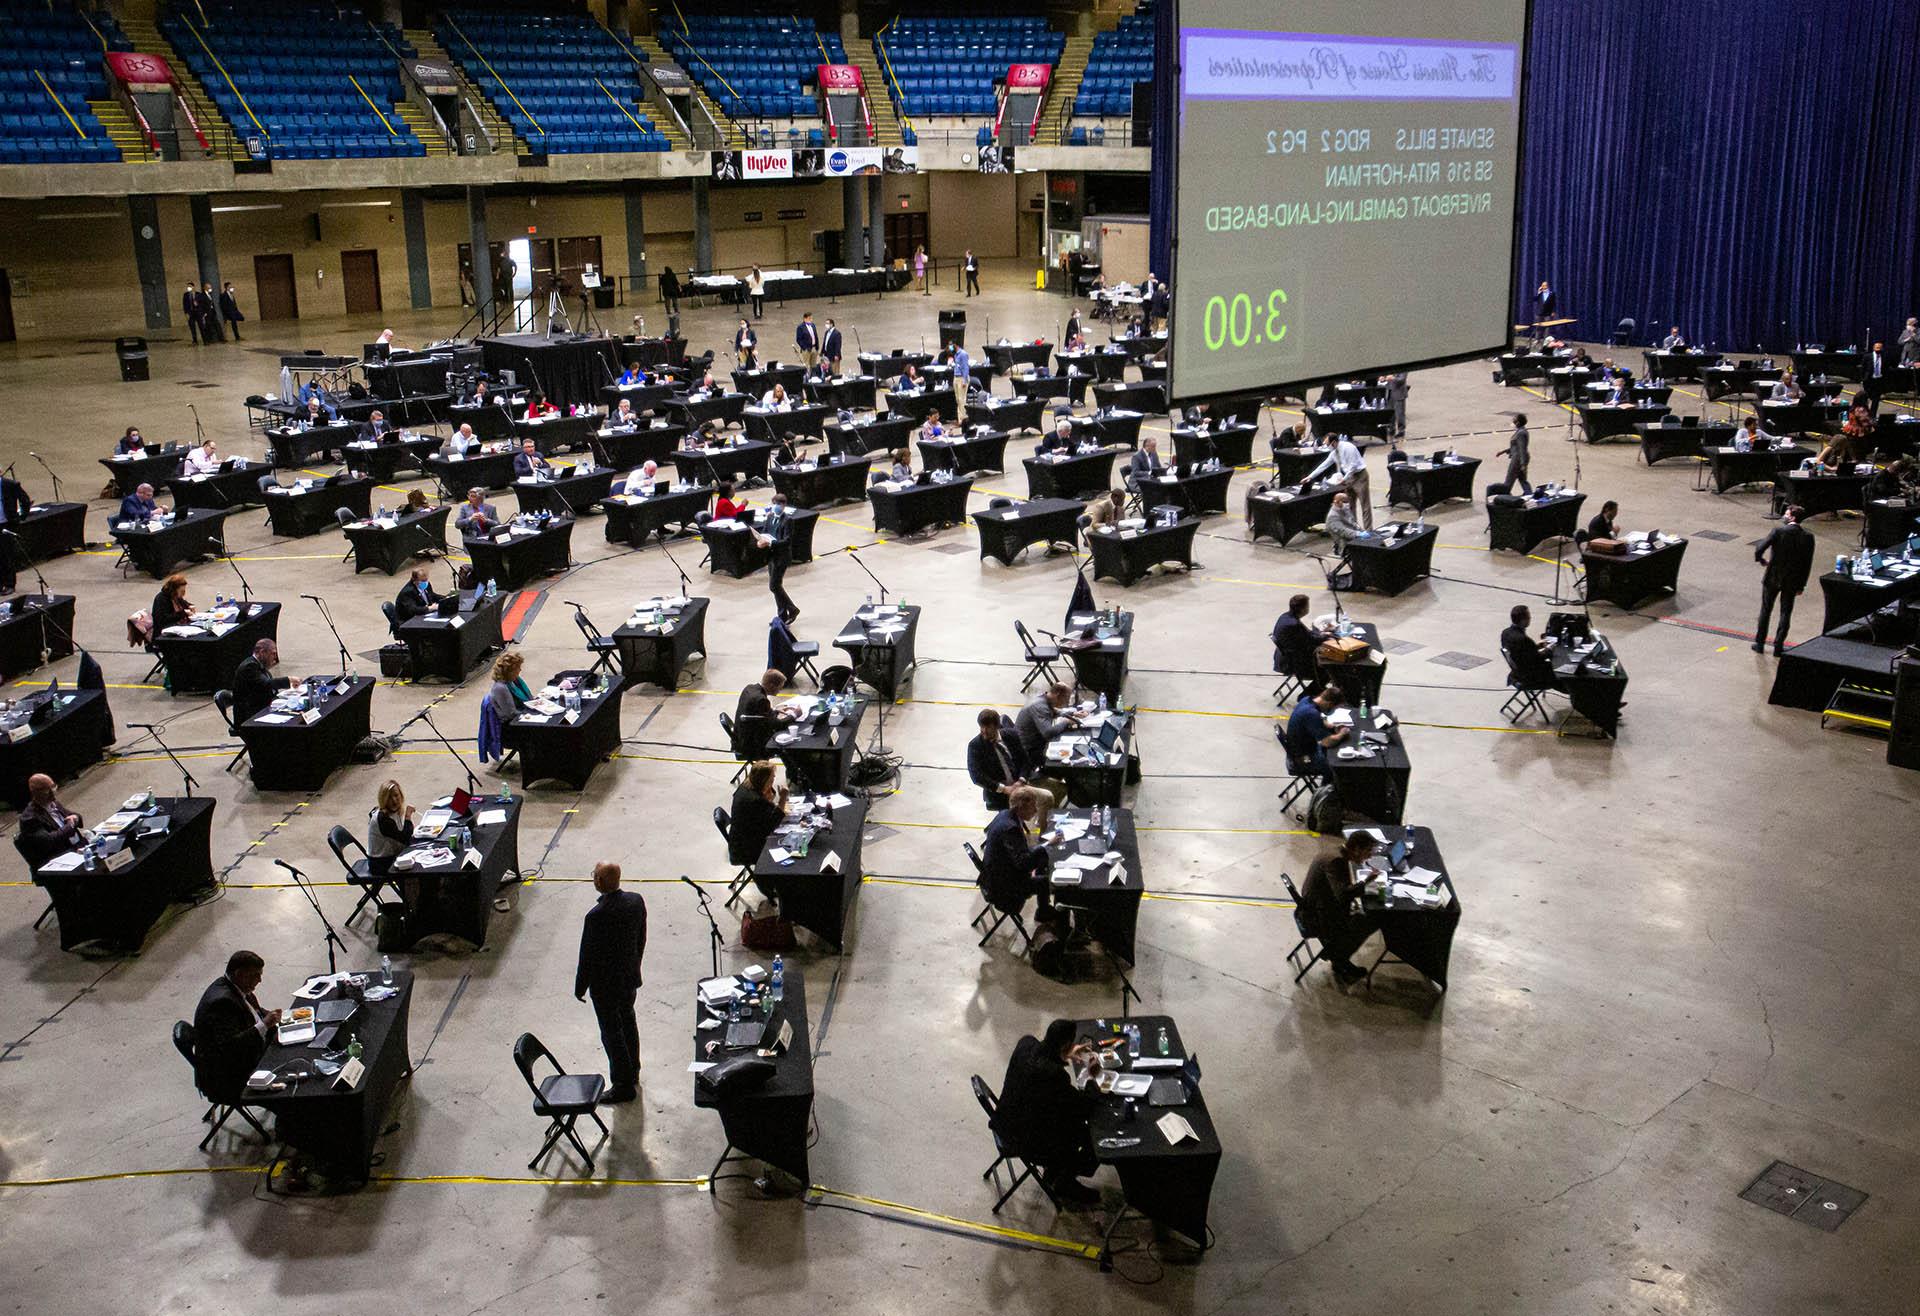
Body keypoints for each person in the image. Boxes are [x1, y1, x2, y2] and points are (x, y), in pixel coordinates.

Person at [990, 1019, 1101, 1205]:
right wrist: (1092, 1077)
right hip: (1024, 1139)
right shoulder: (1054, 1075)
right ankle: (1064, 1182)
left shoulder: (1026, 1043)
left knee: (1067, 1121)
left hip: (1006, 1120)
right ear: (1066, 1044)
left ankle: (1055, 1171)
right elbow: (1082, 1107)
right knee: (1091, 1135)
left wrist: (1064, 1055)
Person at [575, 861, 647, 1104]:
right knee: (628, 1021)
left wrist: (580, 986)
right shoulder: (636, 901)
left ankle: (622, 1085)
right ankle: (633, 1070)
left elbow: (587, 956)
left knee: (611, 1033)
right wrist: (636, 965)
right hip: (628, 979)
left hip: (605, 986)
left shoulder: (596, 916)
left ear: (599, 882)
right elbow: (640, 938)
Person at [191, 950, 280, 1104]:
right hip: (228, 1075)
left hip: (240, 1057)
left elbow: (254, 1012)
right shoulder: (222, 1002)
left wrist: (272, 1017)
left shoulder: (237, 987)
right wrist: (264, 1024)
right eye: (255, 975)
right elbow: (231, 1046)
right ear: (239, 974)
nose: (259, 980)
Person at [1300, 832, 1384, 984]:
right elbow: (1343, 895)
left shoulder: (1336, 851)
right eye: (1367, 852)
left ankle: (1336, 955)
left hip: (1317, 903)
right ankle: (1339, 959)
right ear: (1357, 849)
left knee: (1361, 914)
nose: (1369, 857)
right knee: (1368, 920)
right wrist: (1366, 882)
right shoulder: (1337, 861)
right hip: (1318, 914)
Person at [980, 786, 1054, 922]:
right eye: (1033, 807)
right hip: (1003, 887)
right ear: (1021, 807)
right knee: (1044, 882)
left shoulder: (1004, 814)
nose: (1036, 811)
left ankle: (1040, 878)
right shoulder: (1011, 828)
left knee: (1041, 853)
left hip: (996, 873)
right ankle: (1043, 913)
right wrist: (1047, 845)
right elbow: (1023, 863)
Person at [1753, 504, 1815, 655]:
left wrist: (1760, 559)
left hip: (1773, 576)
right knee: (1785, 613)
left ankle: (1760, 643)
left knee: (1766, 610)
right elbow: (1807, 564)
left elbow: (1760, 548)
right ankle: (1778, 646)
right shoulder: (1808, 537)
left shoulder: (1778, 531)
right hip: (1792, 580)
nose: (1785, 516)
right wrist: (1802, 585)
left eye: (1787, 514)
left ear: (1792, 517)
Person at [728, 760, 787, 870]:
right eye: (771, 779)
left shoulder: (745, 788)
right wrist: (782, 798)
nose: (773, 781)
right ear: (764, 780)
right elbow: (774, 822)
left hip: (740, 841)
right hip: (747, 849)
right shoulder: (755, 800)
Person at [17, 773, 85, 861]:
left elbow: (73, 816)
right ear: (35, 793)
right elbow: (49, 841)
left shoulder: (53, 803)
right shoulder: (29, 818)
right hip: (60, 857)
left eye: (53, 787)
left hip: (78, 848)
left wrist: (76, 817)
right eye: (47, 791)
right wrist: (70, 826)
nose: (53, 793)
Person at [1309, 434, 1371, 528]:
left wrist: (1344, 479)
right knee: (1350, 505)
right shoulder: (1334, 452)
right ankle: (1354, 529)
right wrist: (1310, 477)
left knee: (1365, 505)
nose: (1326, 446)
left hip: (1359, 476)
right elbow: (1324, 465)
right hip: (1348, 478)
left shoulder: (1348, 448)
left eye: (1327, 444)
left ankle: (1369, 530)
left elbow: (1353, 467)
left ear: (1333, 442)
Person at [1014, 683, 1084, 764]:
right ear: (1058, 695)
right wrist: (1066, 722)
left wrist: (1073, 713)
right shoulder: (1040, 706)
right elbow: (1048, 732)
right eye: (1066, 698)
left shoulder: (1044, 699)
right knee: (1069, 757)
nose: (1067, 702)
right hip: (1030, 749)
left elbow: (1054, 710)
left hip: (1035, 741)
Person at [1272, 593, 1329, 690]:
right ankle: (1311, 692)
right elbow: (1310, 641)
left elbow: (1306, 635)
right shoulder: (1294, 624)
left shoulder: (1286, 617)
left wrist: (1320, 634)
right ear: (1303, 609)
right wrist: (1325, 637)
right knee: (1329, 668)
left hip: (1286, 656)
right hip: (1292, 663)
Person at [757, 490, 799, 622]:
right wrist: (760, 540)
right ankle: (782, 615)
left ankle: (792, 609)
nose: (777, 506)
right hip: (771, 556)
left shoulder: (788, 520)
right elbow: (764, 532)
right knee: (777, 586)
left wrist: (771, 542)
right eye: (775, 503)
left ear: (784, 505)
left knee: (774, 586)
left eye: (780, 504)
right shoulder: (769, 517)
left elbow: (787, 541)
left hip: (782, 556)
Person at [1285, 685, 1346, 773]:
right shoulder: (1311, 714)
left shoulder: (1306, 700)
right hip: (1304, 759)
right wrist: (1343, 733)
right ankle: (1329, 785)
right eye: (1332, 709)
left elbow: (1318, 720)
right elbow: (1327, 742)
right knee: (1339, 765)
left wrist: (1331, 726)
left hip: (1297, 751)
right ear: (1329, 704)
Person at [230, 637, 289, 725]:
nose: (275, 658)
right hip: (249, 715)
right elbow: (266, 684)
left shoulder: (258, 665)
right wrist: (288, 680)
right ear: (262, 652)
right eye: (273, 654)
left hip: (260, 707)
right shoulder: (249, 667)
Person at [1500, 604, 1559, 690]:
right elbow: (1538, 659)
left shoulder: (1506, 633)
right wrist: (1550, 649)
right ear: (1523, 621)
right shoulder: (1523, 640)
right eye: (1528, 617)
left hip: (1517, 673)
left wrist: (1536, 647)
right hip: (1530, 678)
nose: (1530, 619)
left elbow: (1524, 653)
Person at [365, 779, 415, 876]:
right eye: (389, 798)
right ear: (383, 799)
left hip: (388, 856)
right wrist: (408, 816)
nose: (394, 800)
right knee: (415, 867)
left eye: (396, 795)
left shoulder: (393, 811)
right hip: (380, 863)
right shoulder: (383, 818)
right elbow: (405, 838)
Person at [488, 651, 531, 729]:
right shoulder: (500, 688)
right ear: (510, 671)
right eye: (518, 668)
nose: (520, 670)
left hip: (521, 716)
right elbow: (511, 714)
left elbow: (529, 698)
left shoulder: (515, 680)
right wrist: (531, 714)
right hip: (510, 726)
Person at [1493, 414, 1532, 495]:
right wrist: (1503, 451)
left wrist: (1523, 464)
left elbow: (1522, 449)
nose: (1512, 421)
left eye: (1514, 420)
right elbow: (1516, 446)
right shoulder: (1521, 431)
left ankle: (1505, 495)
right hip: (1520, 458)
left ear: (1518, 423)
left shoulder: (1521, 433)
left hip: (1518, 459)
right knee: (1522, 479)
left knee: (1510, 478)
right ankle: (1529, 494)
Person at [1384, 372, 1409, 437]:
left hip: (1399, 393)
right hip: (1390, 392)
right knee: (1390, 412)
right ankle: (1391, 429)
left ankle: (1401, 431)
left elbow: (1402, 380)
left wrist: (1392, 378)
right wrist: (1383, 378)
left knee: (1400, 413)